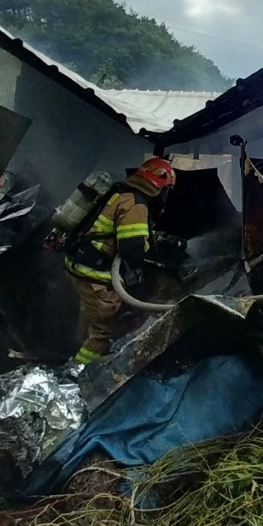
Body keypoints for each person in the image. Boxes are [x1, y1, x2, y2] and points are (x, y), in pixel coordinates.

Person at [63, 157, 175, 368]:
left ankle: (73, 347)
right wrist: (148, 250)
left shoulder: (119, 193)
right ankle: (77, 371)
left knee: (88, 314)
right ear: (159, 188)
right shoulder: (136, 205)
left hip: (77, 263)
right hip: (94, 273)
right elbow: (132, 248)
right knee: (103, 331)